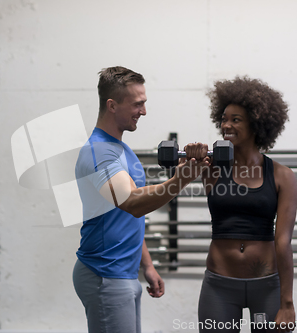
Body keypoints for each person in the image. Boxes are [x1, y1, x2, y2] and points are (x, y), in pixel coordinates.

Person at [73, 66, 208, 333]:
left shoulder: (121, 150)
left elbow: (126, 219)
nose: (144, 111)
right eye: (138, 104)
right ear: (112, 105)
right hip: (105, 273)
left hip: (122, 272)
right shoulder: (98, 152)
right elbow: (132, 203)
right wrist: (183, 177)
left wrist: (147, 265)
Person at [184, 76, 297, 333]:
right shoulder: (210, 168)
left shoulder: (282, 176)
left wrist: (287, 303)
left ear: (257, 124)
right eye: (224, 119)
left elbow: (283, 243)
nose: (226, 125)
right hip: (219, 285)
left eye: (236, 120)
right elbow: (177, 181)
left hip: (267, 285)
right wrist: (191, 158)